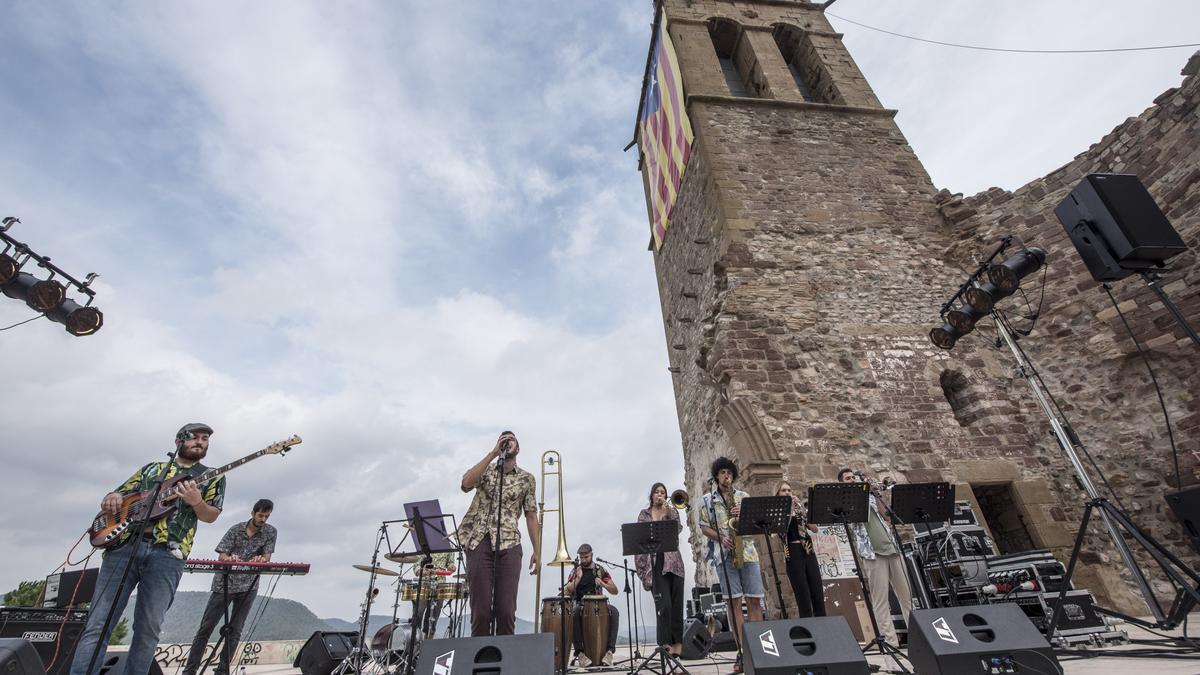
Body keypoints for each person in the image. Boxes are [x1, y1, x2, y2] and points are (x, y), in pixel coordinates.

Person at [70, 423, 225, 675]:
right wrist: (111, 496)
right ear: (178, 441)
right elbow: (117, 497)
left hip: (167, 555)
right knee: (97, 623)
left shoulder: (213, 475)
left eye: (205, 438)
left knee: (148, 629)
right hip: (124, 547)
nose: (200, 442)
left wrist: (197, 501)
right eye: (194, 437)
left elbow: (211, 516)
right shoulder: (152, 469)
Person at [458, 430, 540, 636]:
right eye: (503, 439)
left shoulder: (527, 479)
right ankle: (479, 661)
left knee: (505, 611)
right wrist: (492, 454)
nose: (507, 441)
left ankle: (505, 663)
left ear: (518, 448)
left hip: (509, 544)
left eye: (511, 439)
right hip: (479, 542)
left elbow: (531, 515)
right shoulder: (486, 470)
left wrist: (537, 551)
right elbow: (466, 483)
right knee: (481, 612)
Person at [182, 499, 277, 675]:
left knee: (235, 631)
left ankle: (222, 671)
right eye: (261, 515)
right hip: (224, 584)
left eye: (267, 516)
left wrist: (260, 560)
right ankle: (190, 671)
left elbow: (267, 557)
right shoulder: (235, 529)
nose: (263, 519)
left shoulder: (270, 532)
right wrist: (230, 558)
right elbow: (222, 556)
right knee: (206, 628)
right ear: (253, 513)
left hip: (249, 586)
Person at [699, 457, 763, 674]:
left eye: (730, 473)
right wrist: (720, 537)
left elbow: (755, 524)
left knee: (754, 600)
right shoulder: (707, 500)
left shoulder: (743, 497)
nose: (727, 476)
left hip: (747, 552)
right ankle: (743, 651)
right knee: (733, 603)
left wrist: (743, 515)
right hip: (723, 555)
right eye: (723, 472)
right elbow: (704, 526)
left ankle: (760, 650)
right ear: (716, 475)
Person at [838, 467, 912, 647]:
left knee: (906, 597)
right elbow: (853, 519)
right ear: (842, 484)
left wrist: (875, 493)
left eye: (853, 477)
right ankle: (891, 642)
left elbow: (885, 516)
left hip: (891, 548)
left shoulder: (870, 495)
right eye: (848, 479)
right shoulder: (845, 500)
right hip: (872, 553)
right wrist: (858, 493)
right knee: (881, 600)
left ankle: (917, 634)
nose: (852, 480)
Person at [635, 483, 685, 658]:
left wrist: (668, 511)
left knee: (677, 606)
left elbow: (677, 529)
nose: (660, 495)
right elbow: (640, 540)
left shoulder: (672, 512)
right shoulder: (644, 514)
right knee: (664, 607)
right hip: (654, 563)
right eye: (657, 492)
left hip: (674, 563)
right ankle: (666, 648)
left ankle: (678, 650)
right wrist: (642, 574)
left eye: (663, 492)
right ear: (651, 495)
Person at [563, 544, 620, 668]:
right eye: (581, 557)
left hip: (600, 605)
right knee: (575, 612)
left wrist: (604, 585)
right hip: (581, 605)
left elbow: (615, 590)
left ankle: (609, 652)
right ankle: (580, 653)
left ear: (591, 555)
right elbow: (566, 591)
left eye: (586, 557)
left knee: (614, 612)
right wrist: (578, 578)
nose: (583, 560)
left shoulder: (600, 570)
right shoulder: (575, 571)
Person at [775, 481, 825, 618]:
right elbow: (782, 531)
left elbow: (814, 528)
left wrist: (802, 510)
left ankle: (823, 625)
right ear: (777, 494)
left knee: (817, 591)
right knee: (803, 594)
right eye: (783, 490)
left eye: (789, 490)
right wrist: (789, 510)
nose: (787, 493)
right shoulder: (777, 512)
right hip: (793, 551)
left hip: (808, 550)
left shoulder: (799, 509)